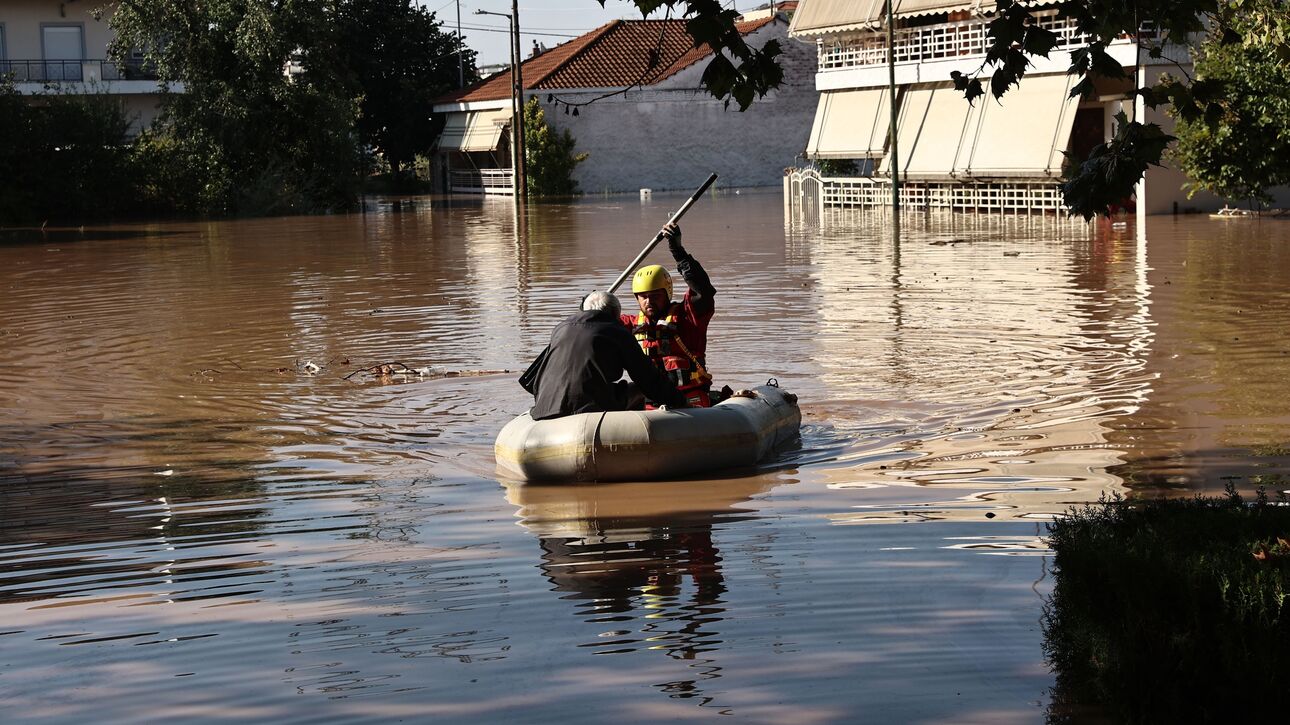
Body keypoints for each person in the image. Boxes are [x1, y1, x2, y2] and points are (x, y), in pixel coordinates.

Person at [521, 291, 686, 421]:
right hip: (589, 406)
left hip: (546, 407)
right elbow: (648, 378)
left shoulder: (560, 329)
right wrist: (680, 402)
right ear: (615, 315)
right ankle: (633, 444)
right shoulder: (616, 332)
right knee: (637, 389)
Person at [620, 223, 719, 407]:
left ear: (667, 293)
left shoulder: (688, 317)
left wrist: (679, 252)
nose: (649, 301)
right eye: (643, 297)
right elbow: (599, 324)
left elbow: (703, 291)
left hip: (690, 399)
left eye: (655, 296)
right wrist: (591, 306)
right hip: (653, 402)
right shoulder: (629, 325)